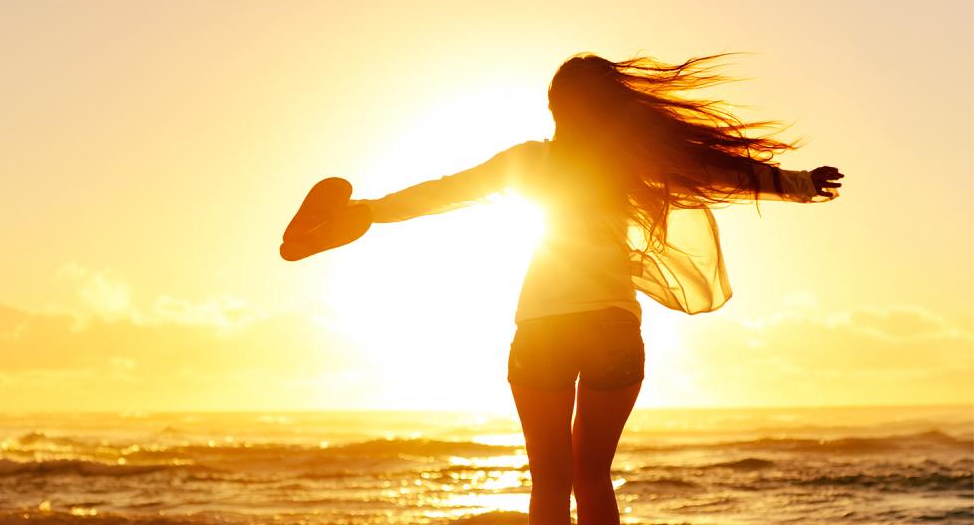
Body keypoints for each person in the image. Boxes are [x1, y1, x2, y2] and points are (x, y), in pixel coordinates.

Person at [346, 52, 843, 525]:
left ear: (554, 106)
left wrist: (367, 211)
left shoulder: (530, 160)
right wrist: (799, 184)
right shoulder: (627, 164)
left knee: (549, 481)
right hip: (613, 329)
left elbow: (443, 191)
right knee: (593, 476)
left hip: (544, 330)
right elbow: (720, 173)